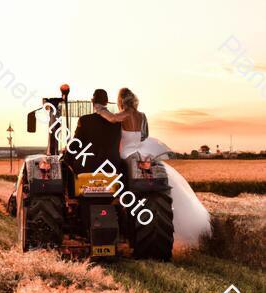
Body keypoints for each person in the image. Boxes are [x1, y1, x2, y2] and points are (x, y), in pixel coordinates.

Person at [95, 88, 211, 247]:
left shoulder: (125, 114)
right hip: (140, 151)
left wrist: (101, 109)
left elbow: (112, 119)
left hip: (126, 153)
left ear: (121, 101)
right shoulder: (142, 116)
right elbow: (144, 135)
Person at [70, 89, 122, 174]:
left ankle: (70, 187)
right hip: (112, 167)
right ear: (106, 102)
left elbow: (76, 144)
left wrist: (68, 149)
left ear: (92, 101)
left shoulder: (84, 120)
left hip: (88, 167)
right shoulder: (118, 123)